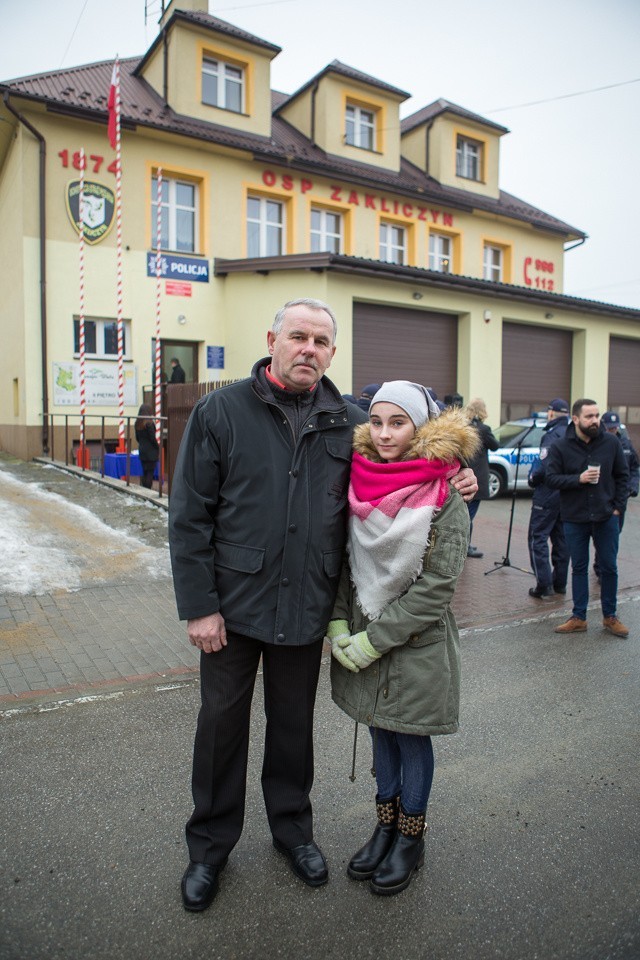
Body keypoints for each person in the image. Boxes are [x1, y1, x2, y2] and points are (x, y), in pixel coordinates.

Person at [168, 298, 478, 912]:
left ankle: (293, 832)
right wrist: (199, 606)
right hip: (230, 610)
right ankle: (209, 848)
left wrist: (461, 475)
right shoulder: (220, 412)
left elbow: (413, 462)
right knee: (220, 730)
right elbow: (188, 517)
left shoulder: (354, 421)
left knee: (293, 730)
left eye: (321, 341)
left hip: (308, 607)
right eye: (298, 337)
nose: (308, 349)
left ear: (333, 353)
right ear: (273, 340)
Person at [328, 381, 479, 895]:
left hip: (417, 643)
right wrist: (340, 624)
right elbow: (348, 567)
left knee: (410, 740)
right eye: (377, 421)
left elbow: (437, 589)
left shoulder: (445, 494)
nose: (385, 433)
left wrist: (374, 640)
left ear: (420, 428)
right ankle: (384, 826)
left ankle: (410, 838)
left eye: (399, 422)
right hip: (365, 629)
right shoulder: (360, 482)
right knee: (379, 731)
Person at [545, 398, 629, 637]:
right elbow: (550, 478)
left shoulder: (611, 443)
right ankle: (579, 617)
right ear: (575, 419)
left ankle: (610, 617)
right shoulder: (561, 446)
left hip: (606, 516)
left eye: (597, 416)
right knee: (579, 568)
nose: (595, 421)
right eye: (589, 416)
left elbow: (623, 476)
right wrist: (577, 479)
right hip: (574, 517)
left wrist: (618, 508)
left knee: (609, 567)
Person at [526, 398, 570, 598]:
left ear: (552, 413)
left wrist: (533, 478)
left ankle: (544, 584)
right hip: (565, 493)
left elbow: (543, 468)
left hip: (547, 494)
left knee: (538, 537)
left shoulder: (552, 436)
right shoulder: (570, 433)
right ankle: (560, 583)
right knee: (561, 539)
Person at [464, 397, 499, 558]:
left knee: (464, 512)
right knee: (469, 515)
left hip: (463, 473)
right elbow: (495, 446)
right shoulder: (484, 429)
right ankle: (466, 546)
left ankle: (464, 544)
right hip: (478, 476)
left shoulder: (463, 427)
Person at [134, 403, 159, 489]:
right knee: (150, 472)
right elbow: (152, 438)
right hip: (151, 451)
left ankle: (144, 488)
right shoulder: (149, 423)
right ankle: (148, 489)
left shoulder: (137, 423)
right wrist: (157, 447)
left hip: (142, 450)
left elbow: (137, 438)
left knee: (145, 471)